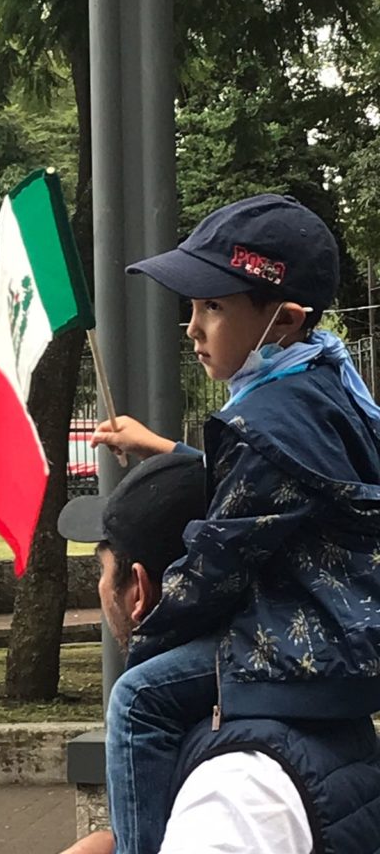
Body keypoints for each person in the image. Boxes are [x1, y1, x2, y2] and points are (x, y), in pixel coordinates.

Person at [88, 194, 380, 854]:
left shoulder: (268, 421)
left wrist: (148, 632)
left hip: (311, 644)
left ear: (284, 320)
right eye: (192, 306)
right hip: (349, 633)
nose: (192, 328)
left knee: (138, 699)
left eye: (214, 307)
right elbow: (283, 488)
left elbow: (214, 563)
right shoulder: (325, 382)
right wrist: (164, 448)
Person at [58, 451, 380, 854]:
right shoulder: (320, 715)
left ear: (138, 590)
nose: (101, 587)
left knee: (133, 697)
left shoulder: (229, 796)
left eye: (102, 571)